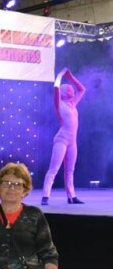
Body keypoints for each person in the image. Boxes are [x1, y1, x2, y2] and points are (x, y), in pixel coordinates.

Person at [41, 67, 87, 205]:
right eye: (68, 89)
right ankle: (45, 196)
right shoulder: (58, 104)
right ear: (63, 93)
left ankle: (71, 197)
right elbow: (55, 87)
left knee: (70, 171)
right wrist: (61, 75)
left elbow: (82, 89)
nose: (72, 90)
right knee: (54, 169)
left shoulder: (73, 104)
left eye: (71, 89)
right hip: (61, 140)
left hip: (72, 141)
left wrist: (71, 77)